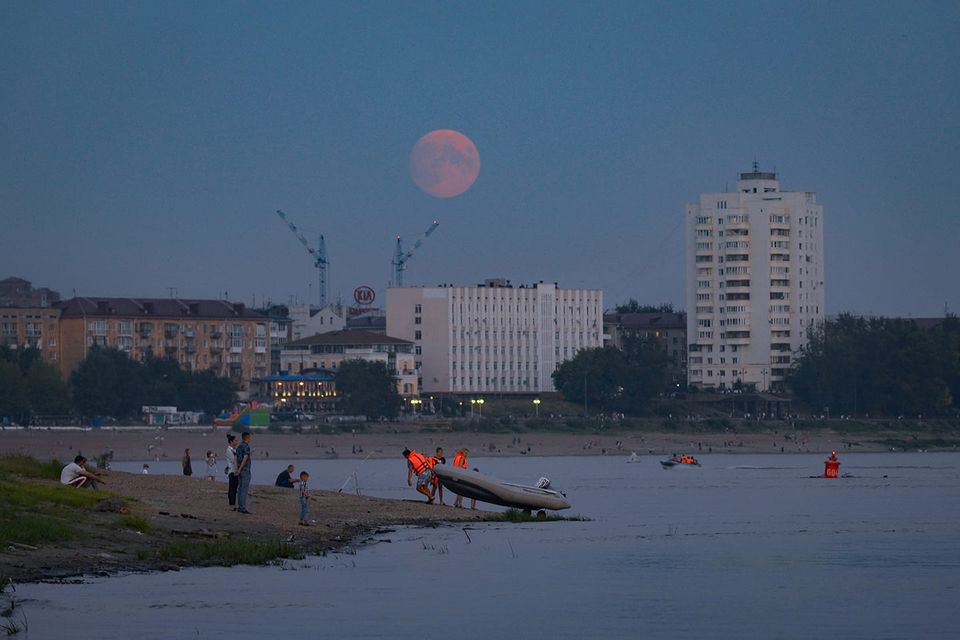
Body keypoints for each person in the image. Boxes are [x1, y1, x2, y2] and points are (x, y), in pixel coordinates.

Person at [235, 432, 252, 514]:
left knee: (240, 489)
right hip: (244, 470)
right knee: (244, 490)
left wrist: (237, 469)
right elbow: (245, 458)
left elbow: (236, 458)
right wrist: (240, 469)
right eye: (250, 437)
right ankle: (242, 508)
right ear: (247, 437)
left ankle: (240, 506)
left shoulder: (239, 446)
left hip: (239, 469)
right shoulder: (246, 446)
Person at [225, 434, 239, 510]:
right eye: (235, 440)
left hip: (235, 471)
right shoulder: (229, 450)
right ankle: (231, 505)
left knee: (234, 488)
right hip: (232, 471)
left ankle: (233, 504)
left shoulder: (234, 449)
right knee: (232, 488)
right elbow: (234, 460)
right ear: (231, 441)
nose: (237, 442)